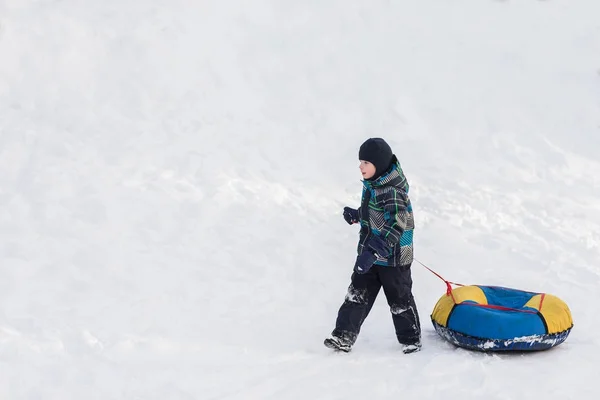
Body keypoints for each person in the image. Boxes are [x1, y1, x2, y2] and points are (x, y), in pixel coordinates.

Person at [324, 138, 422, 354]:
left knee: (400, 299)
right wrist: (358, 215)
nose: (361, 167)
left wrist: (375, 249)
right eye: (360, 162)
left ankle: (411, 339)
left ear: (379, 164)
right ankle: (343, 336)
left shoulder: (393, 191)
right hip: (371, 254)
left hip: (393, 257)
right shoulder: (373, 186)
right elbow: (377, 214)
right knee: (357, 293)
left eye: (366, 162)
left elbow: (396, 223)